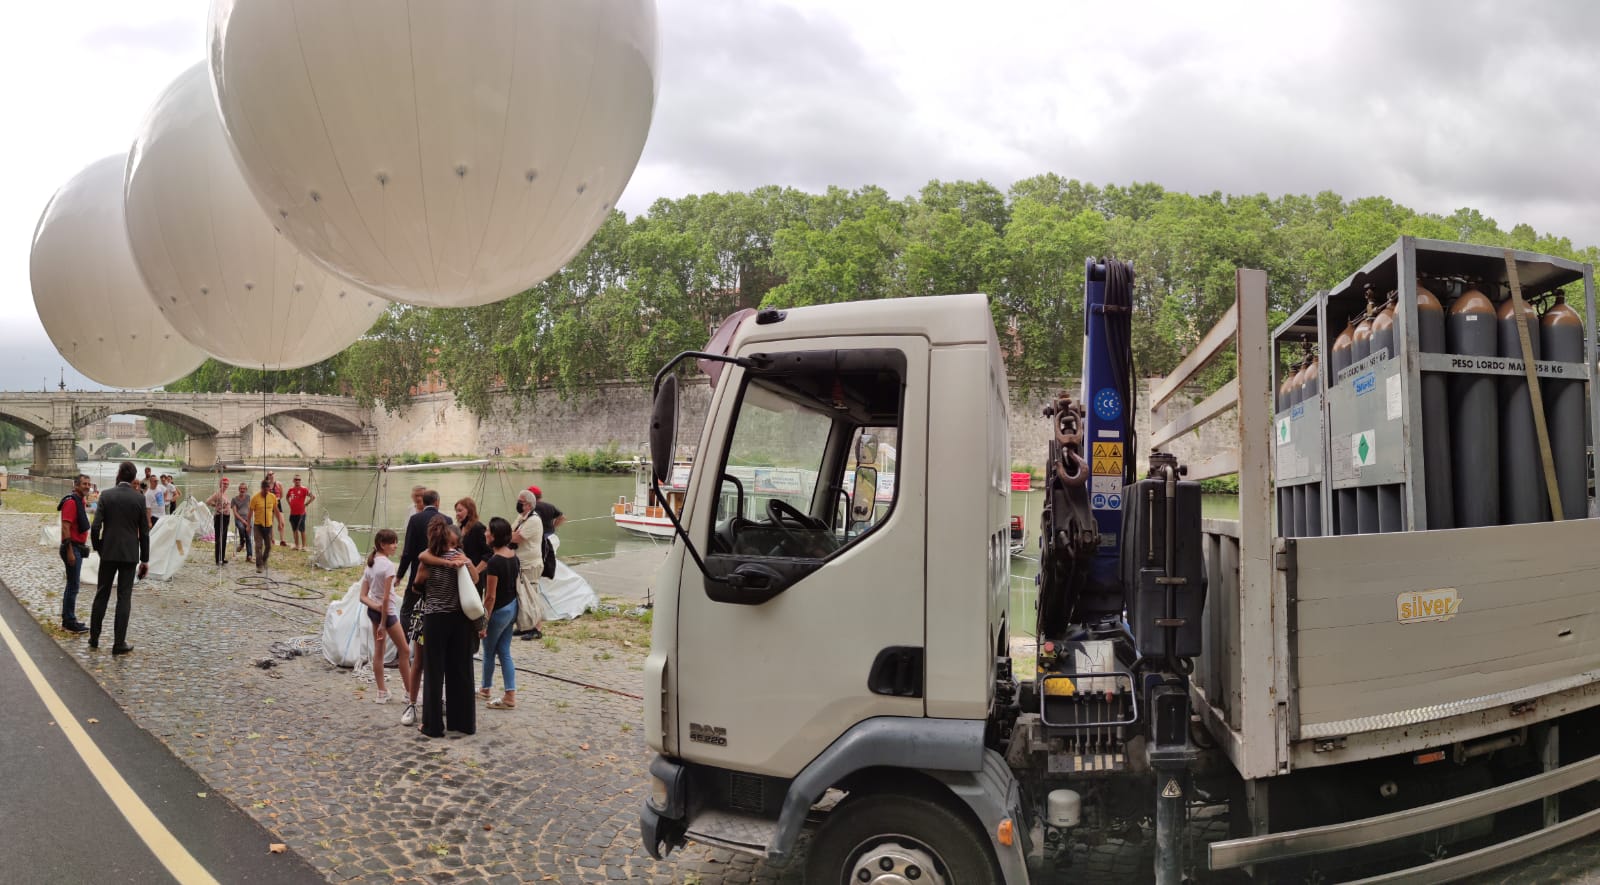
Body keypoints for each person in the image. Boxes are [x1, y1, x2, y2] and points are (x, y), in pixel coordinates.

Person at [412, 519, 475, 738]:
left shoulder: (429, 560)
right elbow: (475, 581)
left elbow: (417, 586)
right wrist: (465, 562)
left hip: (436, 619)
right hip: (460, 620)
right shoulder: (461, 558)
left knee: (434, 672)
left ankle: (433, 725)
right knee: (461, 670)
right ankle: (463, 722)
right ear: (455, 539)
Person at [89, 461, 149, 655]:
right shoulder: (139, 499)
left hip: (109, 552)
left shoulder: (106, 495)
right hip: (130, 554)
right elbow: (145, 533)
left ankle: (94, 637)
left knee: (102, 594)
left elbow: (95, 527)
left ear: (118, 474)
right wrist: (145, 559)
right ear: (133, 478)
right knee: (124, 598)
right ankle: (118, 642)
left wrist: (100, 548)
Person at [359, 529, 416, 715]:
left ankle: (382, 692)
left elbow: (362, 597)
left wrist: (375, 609)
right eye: (392, 543)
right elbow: (385, 599)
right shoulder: (388, 566)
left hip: (374, 612)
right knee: (405, 650)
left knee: (379, 651)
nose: (395, 545)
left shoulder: (370, 564)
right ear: (383, 544)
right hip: (387, 615)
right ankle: (409, 693)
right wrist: (384, 622)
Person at [479, 517, 520, 709]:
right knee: (504, 650)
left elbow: (490, 597)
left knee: (488, 651)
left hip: (499, 611)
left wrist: (483, 623)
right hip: (512, 607)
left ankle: (485, 689)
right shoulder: (513, 555)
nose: (485, 533)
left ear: (494, 536)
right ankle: (509, 695)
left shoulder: (494, 562)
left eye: (488, 531)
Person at [397, 490, 449, 625]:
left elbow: (408, 551)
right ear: (437, 502)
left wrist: (400, 575)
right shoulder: (447, 520)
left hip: (417, 572)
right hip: (441, 573)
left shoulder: (415, 519)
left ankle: (404, 643)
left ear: (423, 502)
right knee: (434, 609)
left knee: (407, 610)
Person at [57, 473, 93, 634]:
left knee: (72, 585)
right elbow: (65, 528)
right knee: (73, 586)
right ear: (76, 485)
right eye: (84, 484)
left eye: (88, 484)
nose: (87, 486)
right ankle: (69, 621)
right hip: (72, 548)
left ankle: (68, 618)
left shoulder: (80, 501)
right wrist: (70, 552)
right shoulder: (71, 503)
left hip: (77, 547)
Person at [511, 489, 546, 640]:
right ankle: (525, 626)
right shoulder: (522, 517)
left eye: (521, 502)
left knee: (532, 595)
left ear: (529, 505)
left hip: (531, 565)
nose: (518, 504)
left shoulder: (533, 520)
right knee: (522, 596)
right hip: (521, 563)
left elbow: (516, 537)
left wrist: (505, 535)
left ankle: (537, 628)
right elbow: (511, 531)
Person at [454, 497, 490, 586]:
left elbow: (489, 553)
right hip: (463, 573)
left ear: (469, 511)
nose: (457, 514)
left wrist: (476, 571)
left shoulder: (478, 528)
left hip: (475, 576)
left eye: (460, 510)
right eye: (456, 511)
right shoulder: (460, 527)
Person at [249, 478, 278, 571]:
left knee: (269, 546)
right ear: (261, 488)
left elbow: (276, 510)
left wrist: (280, 521)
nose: (266, 492)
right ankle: (259, 565)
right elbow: (250, 512)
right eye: (265, 490)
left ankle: (264, 560)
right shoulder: (255, 498)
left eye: (268, 490)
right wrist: (247, 525)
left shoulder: (272, 497)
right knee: (258, 546)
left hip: (268, 525)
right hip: (258, 525)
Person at [205, 477, 232, 565]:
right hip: (220, 517)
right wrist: (216, 506)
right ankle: (218, 559)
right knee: (219, 538)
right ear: (220, 484)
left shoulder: (225, 494)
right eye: (224, 484)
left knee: (223, 538)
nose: (225, 486)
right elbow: (208, 502)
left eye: (227, 484)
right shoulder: (218, 494)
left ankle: (222, 557)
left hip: (226, 517)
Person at [285, 474, 315, 551]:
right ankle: (297, 545)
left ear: (300, 481)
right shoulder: (291, 489)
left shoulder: (304, 489)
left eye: (299, 480)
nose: (297, 481)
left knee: (302, 530)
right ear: (293, 481)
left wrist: (306, 504)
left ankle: (304, 546)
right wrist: (290, 504)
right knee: (294, 530)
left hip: (301, 513)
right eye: (296, 479)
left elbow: (313, 497)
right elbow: (287, 497)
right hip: (292, 513)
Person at [231, 483, 253, 563]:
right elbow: (235, 513)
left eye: (244, 489)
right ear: (239, 489)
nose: (242, 490)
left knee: (248, 536)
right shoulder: (234, 499)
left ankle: (249, 556)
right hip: (239, 519)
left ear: (246, 490)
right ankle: (242, 543)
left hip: (248, 519)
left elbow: (251, 509)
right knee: (241, 527)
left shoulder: (248, 497)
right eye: (241, 488)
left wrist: (249, 520)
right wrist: (243, 521)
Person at [268, 472, 288, 546]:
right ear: (268, 476)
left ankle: (282, 540)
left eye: (272, 474)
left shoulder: (279, 484)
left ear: (274, 475)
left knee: (282, 522)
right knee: (270, 523)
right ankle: (272, 539)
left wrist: (277, 499)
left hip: (278, 504)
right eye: (269, 474)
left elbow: (282, 495)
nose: (271, 475)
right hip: (269, 505)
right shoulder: (266, 485)